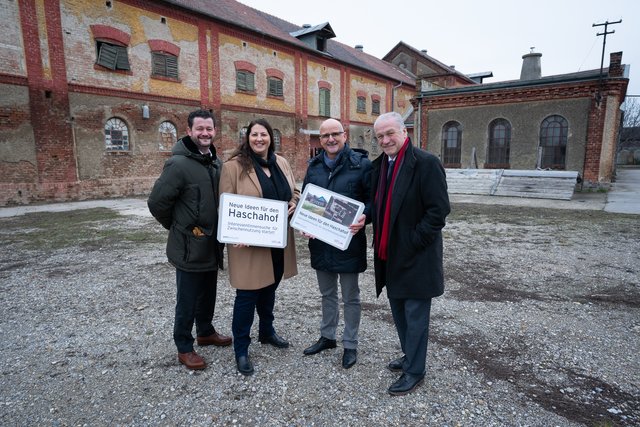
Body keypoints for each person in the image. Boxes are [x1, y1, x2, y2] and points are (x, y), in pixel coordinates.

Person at [371, 111, 450, 395]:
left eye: (390, 133)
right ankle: (409, 356)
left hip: (416, 257)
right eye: (380, 136)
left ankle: (415, 371)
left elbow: (438, 211)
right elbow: (375, 205)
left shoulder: (426, 163)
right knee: (400, 313)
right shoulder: (382, 166)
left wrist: (414, 241)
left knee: (416, 317)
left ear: (404, 132)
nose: (385, 140)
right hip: (389, 256)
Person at [147, 109, 232, 371]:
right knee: (187, 298)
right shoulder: (178, 164)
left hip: (211, 244)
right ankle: (184, 345)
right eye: (200, 129)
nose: (205, 133)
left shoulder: (217, 164)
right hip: (188, 247)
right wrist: (177, 228)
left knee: (208, 293)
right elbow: (157, 203)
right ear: (190, 131)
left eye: (209, 129)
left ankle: (205, 331)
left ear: (214, 131)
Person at [219, 118, 300, 376]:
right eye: (254, 134)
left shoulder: (281, 162)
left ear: (270, 138)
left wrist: (294, 203)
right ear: (247, 137)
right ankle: (241, 349)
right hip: (248, 244)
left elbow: (295, 191)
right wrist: (234, 231)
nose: (259, 139)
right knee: (246, 296)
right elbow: (225, 204)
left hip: (277, 242)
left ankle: (266, 331)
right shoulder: (234, 167)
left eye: (263, 134)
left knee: (270, 288)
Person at [301, 118, 371, 369]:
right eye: (325, 136)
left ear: (344, 136)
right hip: (321, 243)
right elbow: (307, 200)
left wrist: (366, 217)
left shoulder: (361, 165)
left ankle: (350, 343)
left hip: (348, 243)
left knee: (350, 296)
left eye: (335, 134)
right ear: (320, 140)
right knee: (327, 293)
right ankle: (328, 336)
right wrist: (306, 223)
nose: (330, 139)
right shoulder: (314, 166)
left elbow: (373, 200)